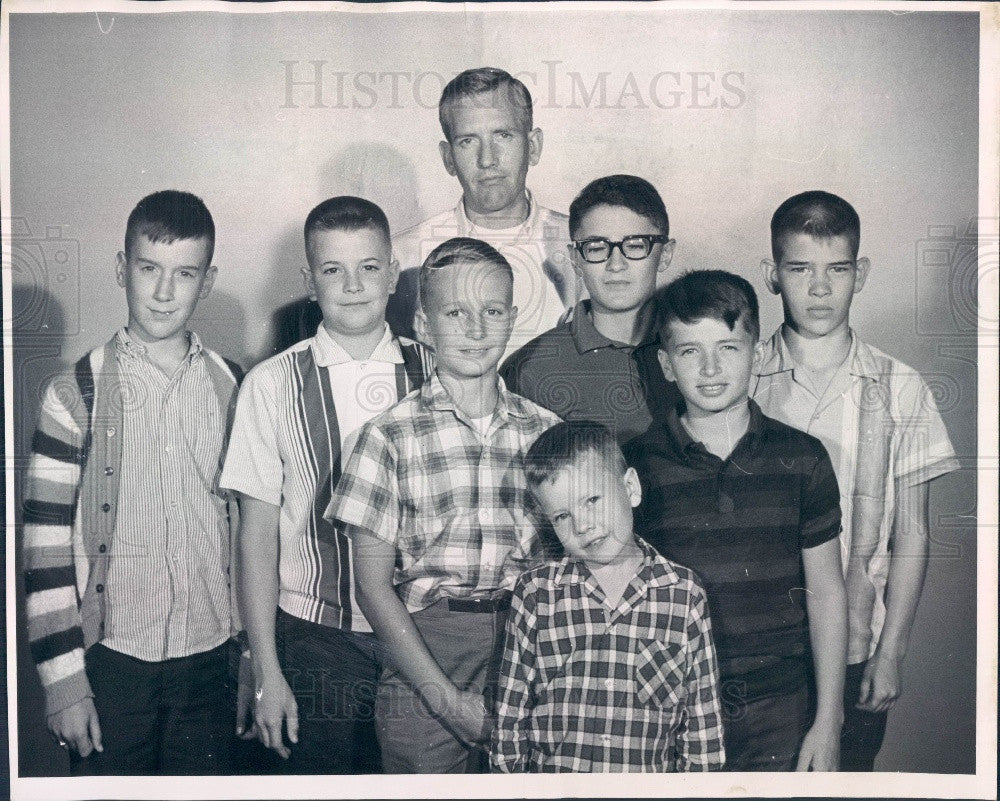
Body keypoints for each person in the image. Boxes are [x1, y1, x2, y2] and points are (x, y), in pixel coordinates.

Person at [22, 190, 243, 775]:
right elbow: (42, 550)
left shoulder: (234, 388)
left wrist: (249, 656)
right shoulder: (74, 393)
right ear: (123, 268)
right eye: (149, 269)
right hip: (111, 662)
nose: (164, 293)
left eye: (185, 274)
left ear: (208, 279)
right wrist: (64, 684)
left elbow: (250, 533)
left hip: (211, 658)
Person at [326, 237, 561, 773]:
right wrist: (447, 702)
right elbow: (372, 586)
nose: (476, 330)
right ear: (425, 325)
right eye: (456, 312)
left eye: (492, 311)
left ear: (511, 318)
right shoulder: (387, 437)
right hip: (425, 654)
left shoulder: (548, 433)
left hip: (530, 645)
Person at [219, 197, 433, 774]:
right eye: (332, 270)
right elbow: (257, 534)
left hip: (423, 633)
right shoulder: (271, 384)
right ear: (309, 281)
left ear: (393, 273)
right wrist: (265, 667)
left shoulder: (436, 373)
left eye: (369, 267)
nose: (353, 285)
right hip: (316, 639)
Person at [752, 190, 960, 771]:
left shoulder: (901, 386)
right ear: (772, 275)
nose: (820, 289)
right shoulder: (741, 380)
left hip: (854, 645)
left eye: (836, 269)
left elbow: (912, 536)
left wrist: (890, 650)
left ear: (859, 273)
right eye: (800, 269)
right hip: (755, 647)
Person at [625, 270, 848, 771]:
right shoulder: (635, 464)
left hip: (781, 703)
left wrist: (828, 719)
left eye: (727, 347)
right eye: (689, 352)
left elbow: (827, 592)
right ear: (664, 363)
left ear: (759, 353)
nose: (709, 368)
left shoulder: (803, 458)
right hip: (669, 704)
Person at [491, 420, 725, 772]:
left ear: (630, 488)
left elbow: (703, 730)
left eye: (592, 500)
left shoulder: (684, 594)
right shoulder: (536, 593)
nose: (582, 525)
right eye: (562, 516)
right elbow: (510, 717)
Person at [388, 67, 576, 357]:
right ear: (448, 158)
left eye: (503, 135)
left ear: (534, 146)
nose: (487, 159)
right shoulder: (402, 260)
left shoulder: (584, 249)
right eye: (467, 141)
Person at [501, 174, 680, 443]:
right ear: (575, 259)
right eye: (596, 248)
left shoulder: (696, 347)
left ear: (665, 254)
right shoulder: (529, 370)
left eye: (634, 245)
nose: (616, 264)